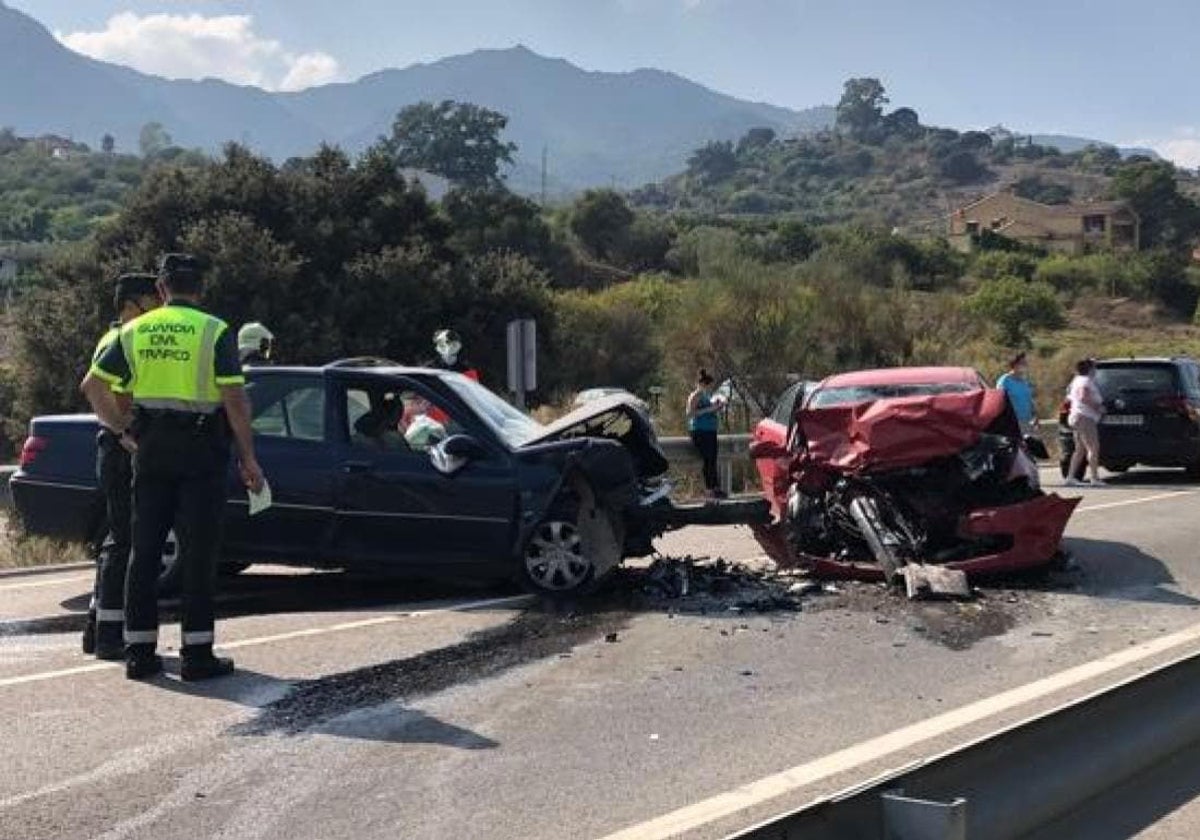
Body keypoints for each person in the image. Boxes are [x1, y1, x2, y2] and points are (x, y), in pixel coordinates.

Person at [81, 254, 265, 681]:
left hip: (151, 449)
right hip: (201, 450)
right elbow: (235, 399)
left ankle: (139, 653)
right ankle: (197, 655)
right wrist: (248, 457)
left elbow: (92, 387)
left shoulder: (132, 330)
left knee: (143, 552)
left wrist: (123, 430)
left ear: (162, 289)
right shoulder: (214, 331)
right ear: (199, 288)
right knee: (199, 552)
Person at [81, 273, 162, 660]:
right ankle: (110, 635)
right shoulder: (123, 339)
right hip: (121, 449)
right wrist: (124, 430)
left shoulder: (114, 336)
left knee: (116, 539)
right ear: (133, 302)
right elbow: (99, 390)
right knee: (124, 541)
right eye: (152, 298)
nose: (159, 304)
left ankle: (98, 626)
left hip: (115, 447)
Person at [1066, 358, 1106, 488]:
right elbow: (1083, 396)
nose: (1096, 370)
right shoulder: (1086, 381)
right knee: (1093, 447)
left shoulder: (1076, 380)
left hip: (1077, 417)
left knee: (1080, 449)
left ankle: (1070, 477)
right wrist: (1097, 407)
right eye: (1094, 367)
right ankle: (1094, 478)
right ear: (1089, 369)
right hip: (1085, 417)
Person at [686, 368, 725, 500]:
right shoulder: (695, 395)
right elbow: (690, 413)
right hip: (700, 431)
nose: (709, 388)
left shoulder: (707, 396)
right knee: (707, 460)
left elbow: (708, 410)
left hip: (711, 431)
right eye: (708, 385)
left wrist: (717, 407)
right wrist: (710, 409)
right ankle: (709, 489)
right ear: (703, 384)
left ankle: (716, 487)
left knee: (713, 460)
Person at [996, 352, 1038, 435]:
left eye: (1025, 363)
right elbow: (999, 401)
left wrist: (1035, 415)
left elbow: (1029, 400)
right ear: (1014, 364)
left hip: (1027, 422)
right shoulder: (1005, 381)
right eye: (1022, 363)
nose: (1025, 365)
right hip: (1012, 423)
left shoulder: (1024, 382)